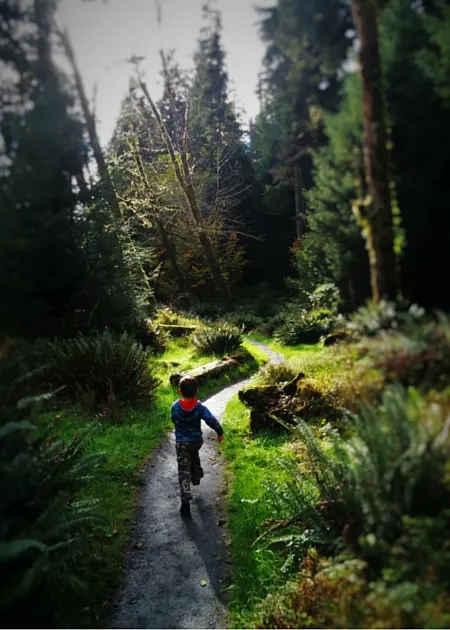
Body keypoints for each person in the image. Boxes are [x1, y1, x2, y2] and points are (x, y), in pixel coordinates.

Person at [171, 375, 224, 517]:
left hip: (181, 442)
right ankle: (196, 475)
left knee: (183, 470)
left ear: (179, 391)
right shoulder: (199, 407)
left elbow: (173, 419)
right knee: (193, 455)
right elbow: (210, 420)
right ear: (197, 391)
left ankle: (185, 500)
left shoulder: (175, 406)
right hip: (195, 441)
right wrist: (219, 431)